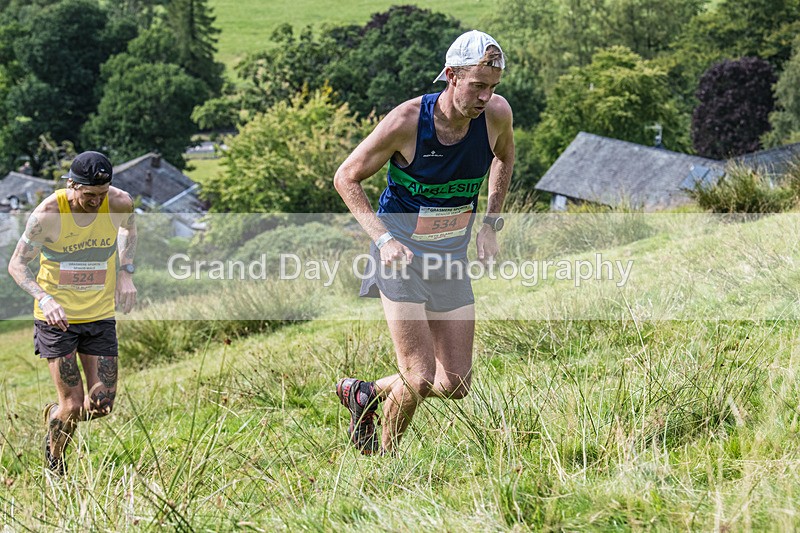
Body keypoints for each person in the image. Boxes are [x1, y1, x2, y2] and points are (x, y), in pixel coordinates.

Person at [334, 30, 514, 455]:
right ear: (451, 76)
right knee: (418, 375)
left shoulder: (496, 116)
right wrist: (381, 240)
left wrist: (490, 223)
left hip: (449, 260)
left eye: (493, 87)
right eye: (478, 85)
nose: (486, 97)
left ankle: (367, 394)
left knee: (455, 384)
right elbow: (346, 177)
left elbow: (504, 157)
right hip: (400, 258)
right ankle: (384, 460)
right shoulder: (407, 122)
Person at [8, 151, 137, 475]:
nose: (96, 203)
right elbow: (17, 264)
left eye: (102, 195)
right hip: (57, 319)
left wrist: (125, 272)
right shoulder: (49, 214)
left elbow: (128, 231)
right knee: (73, 405)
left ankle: (56, 415)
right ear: (71, 185)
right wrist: (44, 298)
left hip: (99, 313)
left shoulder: (120, 203)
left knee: (101, 406)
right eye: (89, 195)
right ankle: (55, 462)